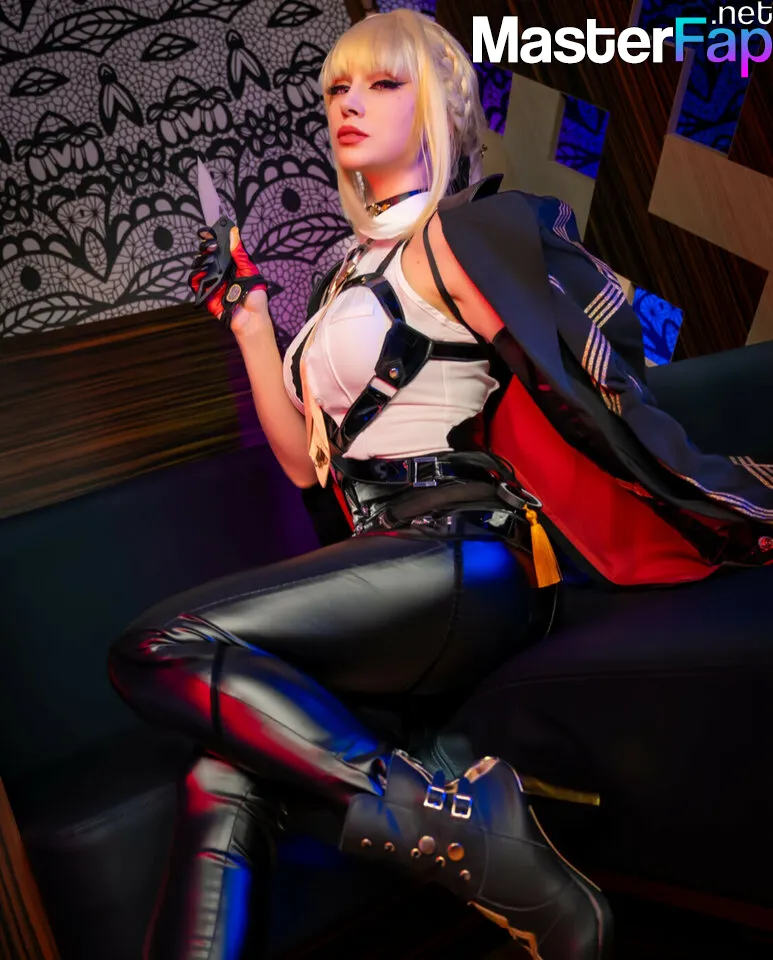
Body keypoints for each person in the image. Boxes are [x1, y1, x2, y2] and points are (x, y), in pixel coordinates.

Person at [108, 8, 773, 960]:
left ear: (439, 107)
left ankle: (469, 840)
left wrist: (688, 494)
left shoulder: (458, 237)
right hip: (386, 565)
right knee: (221, 770)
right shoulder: (339, 278)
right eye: (337, 88)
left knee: (156, 645)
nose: (349, 103)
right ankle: (489, 849)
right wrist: (252, 322)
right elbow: (302, 464)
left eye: (382, 83)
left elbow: (577, 375)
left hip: (465, 549)